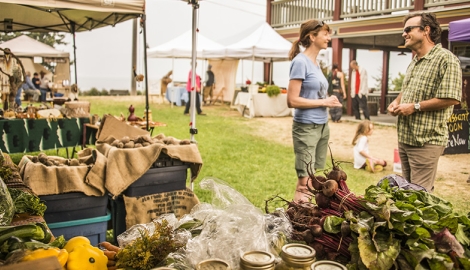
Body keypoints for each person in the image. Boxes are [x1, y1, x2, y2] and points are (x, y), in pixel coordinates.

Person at [387, 12, 461, 192]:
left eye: (408, 29)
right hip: (405, 138)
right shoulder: (414, 61)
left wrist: (415, 107)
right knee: (406, 193)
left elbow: (451, 97)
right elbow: (408, 90)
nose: (404, 34)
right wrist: (396, 102)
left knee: (418, 196)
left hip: (426, 140)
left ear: (426, 30)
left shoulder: (446, 59)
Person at [287, 19, 342, 203]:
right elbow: (292, 100)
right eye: (325, 34)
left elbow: (315, 95)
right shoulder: (300, 62)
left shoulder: (316, 63)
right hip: (306, 127)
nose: (329, 37)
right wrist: (323, 101)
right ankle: (296, 224)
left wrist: (327, 101)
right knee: (304, 182)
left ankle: (306, 218)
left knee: (314, 179)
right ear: (312, 37)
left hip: (321, 126)